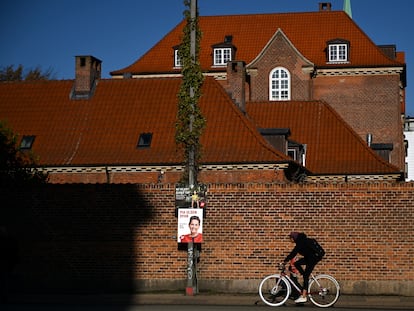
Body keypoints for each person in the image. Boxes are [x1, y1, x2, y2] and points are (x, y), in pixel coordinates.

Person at [283, 232, 324, 304]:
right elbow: (294, 253)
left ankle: (304, 296)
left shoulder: (300, 243)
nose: (290, 239)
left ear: (294, 238)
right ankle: (303, 274)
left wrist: (285, 261)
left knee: (306, 276)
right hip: (309, 258)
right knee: (297, 263)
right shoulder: (302, 241)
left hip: (312, 259)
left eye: (290, 238)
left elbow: (293, 253)